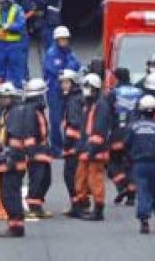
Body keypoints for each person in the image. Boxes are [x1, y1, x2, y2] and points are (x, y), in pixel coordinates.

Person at [125, 94, 155, 234]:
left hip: (139, 164)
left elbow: (126, 144)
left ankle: (144, 220)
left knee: (143, 191)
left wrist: (132, 158)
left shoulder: (133, 126)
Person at [0, 82, 28, 237]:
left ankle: (16, 227)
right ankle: (15, 226)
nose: (1, 100)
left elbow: (16, 139)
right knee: (7, 195)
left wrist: (12, 158)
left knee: (10, 195)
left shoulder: (15, 114)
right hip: (6, 161)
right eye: (0, 97)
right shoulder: (5, 112)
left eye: (4, 98)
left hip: (12, 162)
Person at [70, 73, 111, 221]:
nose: (85, 90)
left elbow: (99, 129)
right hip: (86, 148)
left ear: (95, 88)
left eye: (88, 87)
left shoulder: (101, 105)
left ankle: (98, 209)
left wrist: (92, 149)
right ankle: (82, 205)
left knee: (95, 178)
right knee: (80, 178)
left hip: (95, 150)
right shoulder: (90, 104)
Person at [42, 26, 81, 154]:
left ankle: (68, 144)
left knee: (70, 118)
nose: (64, 41)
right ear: (56, 40)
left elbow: (76, 65)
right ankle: (56, 148)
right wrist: (68, 68)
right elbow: (58, 71)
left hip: (67, 91)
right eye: (61, 39)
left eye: (65, 39)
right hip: (55, 92)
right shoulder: (51, 54)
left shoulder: (69, 52)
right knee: (56, 120)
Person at [21, 78, 54, 220]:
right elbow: (29, 131)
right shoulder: (30, 111)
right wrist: (32, 152)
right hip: (36, 152)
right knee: (38, 179)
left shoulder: (36, 109)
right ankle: (33, 206)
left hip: (42, 150)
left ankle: (37, 205)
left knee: (45, 179)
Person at [109, 67, 143, 203]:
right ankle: (131, 195)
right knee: (131, 163)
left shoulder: (114, 93)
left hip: (118, 132)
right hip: (135, 132)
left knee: (114, 163)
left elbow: (107, 112)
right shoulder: (139, 92)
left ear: (117, 78)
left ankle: (122, 185)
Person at [58, 69, 85, 214]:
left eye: (66, 82)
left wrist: (67, 144)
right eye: (62, 82)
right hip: (80, 144)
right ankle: (81, 203)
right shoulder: (78, 98)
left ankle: (77, 205)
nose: (63, 85)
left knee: (70, 176)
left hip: (74, 146)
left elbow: (74, 123)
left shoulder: (73, 101)